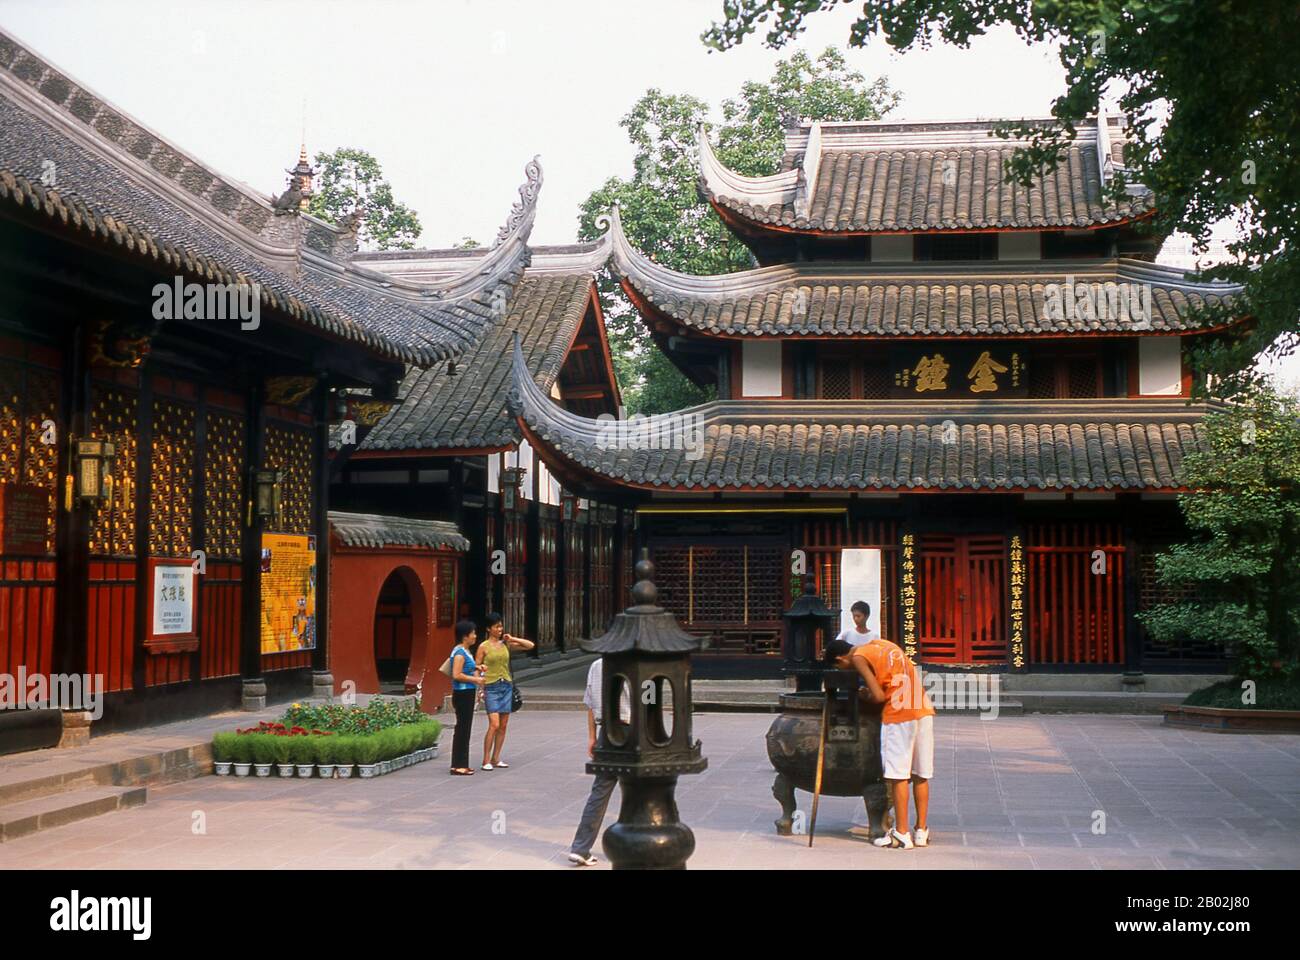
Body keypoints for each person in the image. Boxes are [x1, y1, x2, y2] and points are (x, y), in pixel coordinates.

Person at [826, 633, 934, 849]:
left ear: (840, 659)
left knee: (898, 775)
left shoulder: (857, 657)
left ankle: (902, 833)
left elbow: (879, 697)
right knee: (921, 773)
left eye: (840, 668)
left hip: (899, 714)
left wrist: (863, 694)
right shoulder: (884, 644)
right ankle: (921, 830)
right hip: (922, 708)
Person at [567, 656, 630, 867]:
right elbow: (649, 701)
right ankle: (633, 844)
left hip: (606, 731)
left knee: (600, 790)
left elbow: (592, 705)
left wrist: (592, 737)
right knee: (638, 791)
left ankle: (580, 848)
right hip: (632, 730)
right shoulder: (636, 662)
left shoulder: (597, 665)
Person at [475, 612, 535, 770]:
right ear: (489, 629)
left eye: (501, 626)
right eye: (496, 627)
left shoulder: (505, 644)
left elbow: (530, 646)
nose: (499, 629)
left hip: (506, 685)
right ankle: (486, 759)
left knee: (503, 725)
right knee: (494, 724)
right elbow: (477, 667)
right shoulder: (483, 647)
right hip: (491, 686)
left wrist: (512, 638)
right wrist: (479, 687)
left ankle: (496, 758)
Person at [448, 619, 484, 776]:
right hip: (462, 693)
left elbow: (466, 669)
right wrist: (475, 679)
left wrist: (477, 667)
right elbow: (457, 675)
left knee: (465, 728)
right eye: (473, 633)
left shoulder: (465, 651)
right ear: (465, 636)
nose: (475, 636)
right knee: (462, 728)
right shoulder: (459, 653)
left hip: (467, 693)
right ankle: (458, 765)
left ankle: (462, 763)